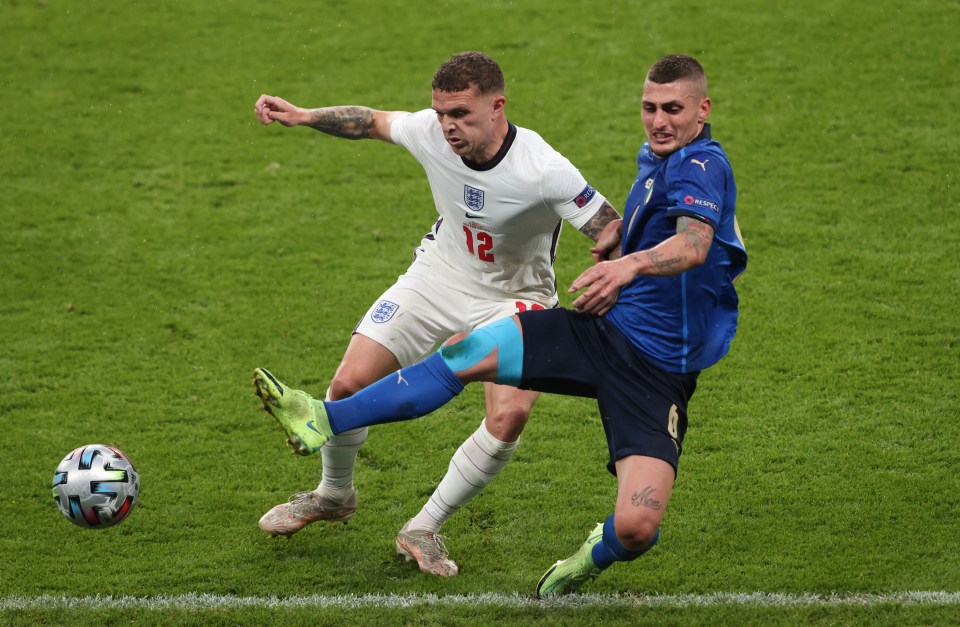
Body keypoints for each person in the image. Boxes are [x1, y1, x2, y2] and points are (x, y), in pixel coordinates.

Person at [253, 53, 747, 596]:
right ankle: (328, 461)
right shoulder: (650, 156)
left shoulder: (566, 169)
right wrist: (301, 115)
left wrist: (623, 260)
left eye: (461, 114)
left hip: (561, 319)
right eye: (649, 108)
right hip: (485, 291)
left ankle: (457, 532)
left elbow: (647, 232)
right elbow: (372, 120)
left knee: (561, 462)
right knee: (388, 373)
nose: (447, 126)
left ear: (497, 107)